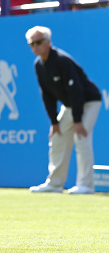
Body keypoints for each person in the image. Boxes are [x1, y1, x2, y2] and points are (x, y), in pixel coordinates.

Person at [26, 26, 102, 195]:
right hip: (70, 105)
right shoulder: (38, 65)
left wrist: (77, 121)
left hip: (89, 102)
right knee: (57, 137)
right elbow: (47, 95)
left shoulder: (62, 60)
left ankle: (86, 185)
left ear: (48, 42)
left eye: (39, 42)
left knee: (81, 137)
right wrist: (54, 122)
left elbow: (76, 91)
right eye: (32, 44)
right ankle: (54, 183)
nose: (35, 46)